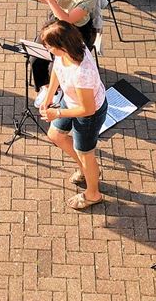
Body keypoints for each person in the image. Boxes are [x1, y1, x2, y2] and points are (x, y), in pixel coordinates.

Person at [37, 20, 107, 211]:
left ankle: (93, 194)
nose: (47, 49)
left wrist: (57, 112)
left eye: (49, 46)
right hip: (71, 101)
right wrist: (49, 96)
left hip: (89, 114)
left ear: (62, 45)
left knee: (86, 153)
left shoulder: (82, 73)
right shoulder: (68, 50)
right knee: (55, 135)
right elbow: (57, 69)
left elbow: (88, 109)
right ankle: (87, 169)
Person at [22, 0, 99, 96]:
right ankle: (46, 88)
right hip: (57, 22)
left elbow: (68, 19)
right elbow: (47, 0)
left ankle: (59, 91)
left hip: (77, 30)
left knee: (58, 66)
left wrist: (50, 0)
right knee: (35, 58)